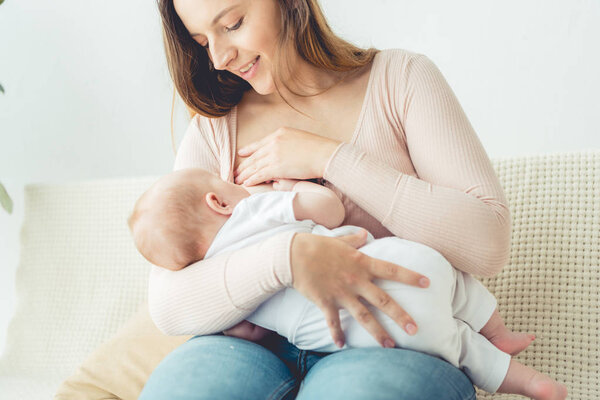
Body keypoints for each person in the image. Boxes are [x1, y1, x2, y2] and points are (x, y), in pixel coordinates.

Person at [142, 0, 565, 398]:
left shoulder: (401, 79)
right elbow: (167, 303)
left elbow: (487, 244)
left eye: (232, 24)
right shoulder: (213, 130)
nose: (218, 58)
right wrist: (289, 258)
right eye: (201, 42)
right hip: (251, 350)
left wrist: (331, 157)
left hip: (391, 340)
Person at [130, 167, 567, 397]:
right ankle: (499, 332)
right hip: (393, 264)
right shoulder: (255, 206)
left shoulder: (220, 261)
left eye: (233, 23)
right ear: (218, 200)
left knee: (457, 346)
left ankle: (528, 384)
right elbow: (328, 209)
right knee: (454, 291)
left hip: (357, 331)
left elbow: (248, 330)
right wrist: (294, 192)